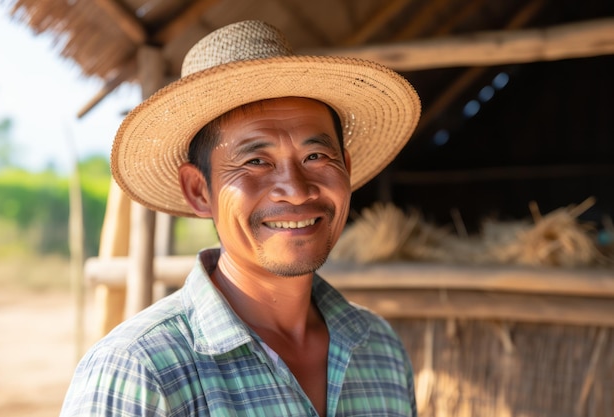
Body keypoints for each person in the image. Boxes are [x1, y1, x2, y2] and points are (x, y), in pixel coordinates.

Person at [60, 20, 421, 417]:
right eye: (255, 161)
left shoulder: (380, 350)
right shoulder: (140, 371)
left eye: (315, 156)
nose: (297, 190)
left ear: (346, 169)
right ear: (199, 191)